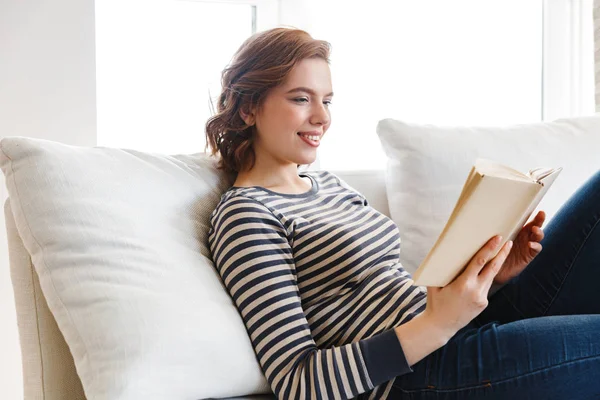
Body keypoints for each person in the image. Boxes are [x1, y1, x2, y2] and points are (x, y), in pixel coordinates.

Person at [205, 27, 600, 400]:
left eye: (326, 100)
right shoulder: (247, 215)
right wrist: (439, 324)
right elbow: (296, 380)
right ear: (248, 109)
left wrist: (494, 276)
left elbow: (391, 291)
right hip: (416, 373)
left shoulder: (328, 185)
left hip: (457, 328)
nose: (322, 118)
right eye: (300, 99)